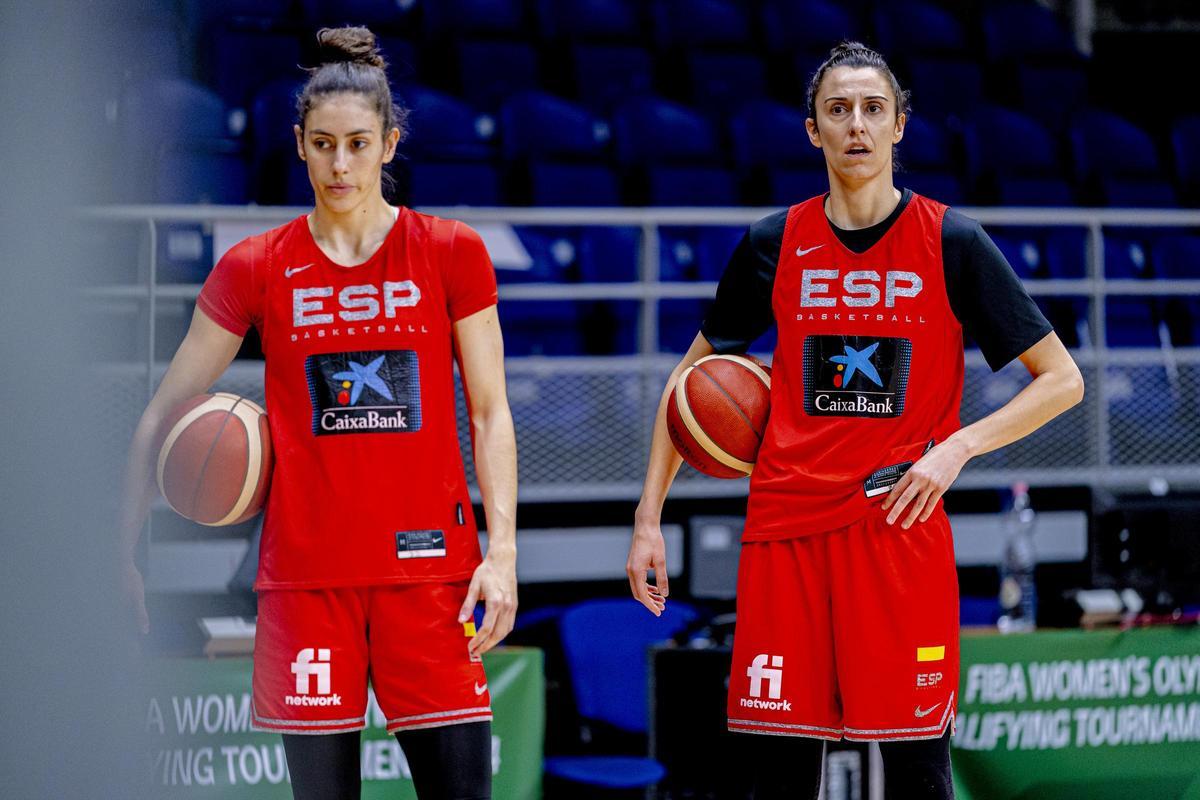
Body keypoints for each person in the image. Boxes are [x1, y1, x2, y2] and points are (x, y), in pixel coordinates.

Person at [627, 41, 1084, 799]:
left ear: (900, 125)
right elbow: (689, 384)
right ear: (813, 130)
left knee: (916, 769)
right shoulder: (774, 243)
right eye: (837, 110)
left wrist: (956, 450)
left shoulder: (952, 242)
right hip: (786, 534)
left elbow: (1062, 380)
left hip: (895, 528)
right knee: (779, 774)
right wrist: (648, 516)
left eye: (874, 109)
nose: (856, 127)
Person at [118, 27, 516, 800]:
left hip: (430, 577)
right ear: (299, 145)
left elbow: (491, 412)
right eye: (324, 144)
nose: (341, 164)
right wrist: (121, 549)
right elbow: (164, 411)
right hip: (307, 585)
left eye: (359, 144)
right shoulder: (256, 266)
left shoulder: (450, 251)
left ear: (389, 144)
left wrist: (501, 554)